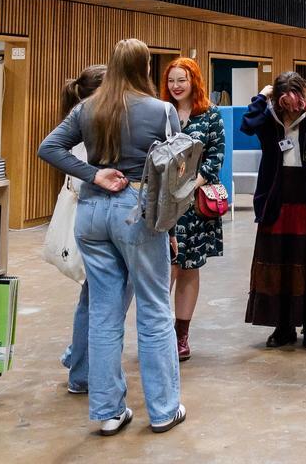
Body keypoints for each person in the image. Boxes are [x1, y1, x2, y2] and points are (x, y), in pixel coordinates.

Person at [38, 39, 187, 435]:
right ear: (146, 66)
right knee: (155, 310)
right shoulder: (162, 111)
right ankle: (163, 409)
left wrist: (94, 174)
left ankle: (107, 412)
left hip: (91, 215)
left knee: (103, 312)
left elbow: (48, 147)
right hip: (136, 212)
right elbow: (173, 175)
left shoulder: (87, 108)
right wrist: (169, 228)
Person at [243, 71, 306, 349]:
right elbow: (248, 125)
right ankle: (282, 326)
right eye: (284, 104)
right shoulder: (269, 113)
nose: (289, 110)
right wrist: (261, 97)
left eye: (294, 104)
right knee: (277, 264)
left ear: (304, 96)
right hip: (275, 198)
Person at [162, 58, 224, 362]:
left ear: (194, 81)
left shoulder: (210, 115)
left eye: (181, 80)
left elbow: (215, 160)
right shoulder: (161, 113)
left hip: (195, 205)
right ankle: (158, 332)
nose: (176, 86)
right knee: (166, 267)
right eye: (171, 80)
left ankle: (181, 336)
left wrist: (189, 186)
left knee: (188, 267)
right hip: (164, 205)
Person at [57, 64, 105, 396]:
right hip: (90, 211)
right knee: (94, 297)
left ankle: (78, 356)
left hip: (86, 208)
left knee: (91, 295)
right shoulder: (88, 117)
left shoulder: (80, 114)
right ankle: (81, 371)